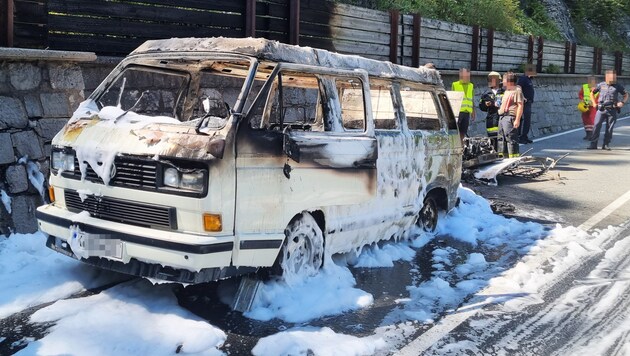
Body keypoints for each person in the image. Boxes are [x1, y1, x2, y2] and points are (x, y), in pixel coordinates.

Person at [588, 70, 628, 150]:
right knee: (596, 126)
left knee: (609, 128)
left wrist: (622, 103)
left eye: (615, 76)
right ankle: (593, 144)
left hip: (612, 109)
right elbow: (591, 93)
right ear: (607, 77)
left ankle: (606, 144)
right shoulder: (601, 85)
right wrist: (593, 103)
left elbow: (626, 95)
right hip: (601, 109)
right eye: (612, 76)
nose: (614, 78)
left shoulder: (618, 86)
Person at [497, 72, 524, 158]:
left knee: (511, 139)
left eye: (504, 80)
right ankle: (503, 158)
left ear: (509, 81)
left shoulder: (517, 91)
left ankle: (513, 159)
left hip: (509, 117)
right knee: (501, 138)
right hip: (502, 117)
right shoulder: (507, 91)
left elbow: (520, 105)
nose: (502, 81)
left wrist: (517, 120)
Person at [479, 71, 505, 150]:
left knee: (502, 138)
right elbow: (481, 107)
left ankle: (503, 155)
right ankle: (494, 154)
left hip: (501, 117)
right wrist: (485, 105)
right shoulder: (486, 94)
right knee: (492, 138)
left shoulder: (504, 92)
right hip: (491, 119)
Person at [451, 68, 476, 140]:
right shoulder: (455, 84)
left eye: (468, 76)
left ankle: (462, 146)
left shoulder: (471, 85)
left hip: (467, 112)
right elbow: (452, 99)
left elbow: (472, 98)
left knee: (463, 131)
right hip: (458, 112)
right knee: (456, 131)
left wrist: (473, 111)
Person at [517, 64, 536, 144]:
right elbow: (518, 87)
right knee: (524, 120)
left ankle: (525, 136)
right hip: (524, 102)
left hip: (528, 102)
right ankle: (520, 137)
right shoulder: (523, 78)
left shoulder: (529, 79)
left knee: (527, 120)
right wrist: (522, 96)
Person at [578, 76, 598, 140]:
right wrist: (582, 99)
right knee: (585, 119)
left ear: (595, 82)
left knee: (592, 120)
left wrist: (595, 103)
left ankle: (592, 134)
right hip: (585, 106)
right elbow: (580, 94)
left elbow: (599, 97)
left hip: (593, 107)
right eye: (589, 81)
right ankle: (588, 134)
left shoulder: (598, 88)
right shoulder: (585, 87)